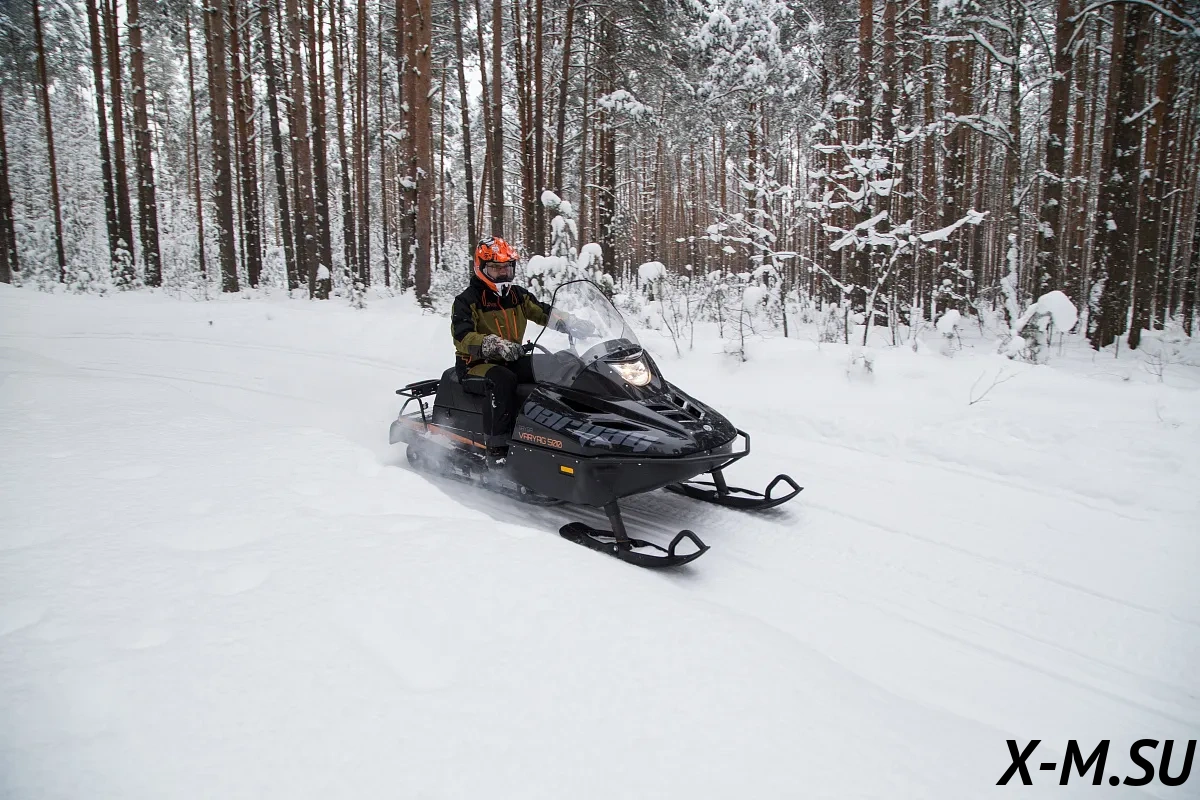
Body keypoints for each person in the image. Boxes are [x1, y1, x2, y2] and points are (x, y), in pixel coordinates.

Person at [451, 236, 552, 459]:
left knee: (553, 365)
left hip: (511, 358)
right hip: (475, 365)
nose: (503, 273)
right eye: (496, 268)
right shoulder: (467, 300)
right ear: (482, 268)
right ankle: (497, 448)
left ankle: (550, 433)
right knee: (503, 379)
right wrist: (494, 344)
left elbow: (543, 312)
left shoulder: (517, 295)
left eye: (507, 267)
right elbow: (462, 336)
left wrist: (571, 322)